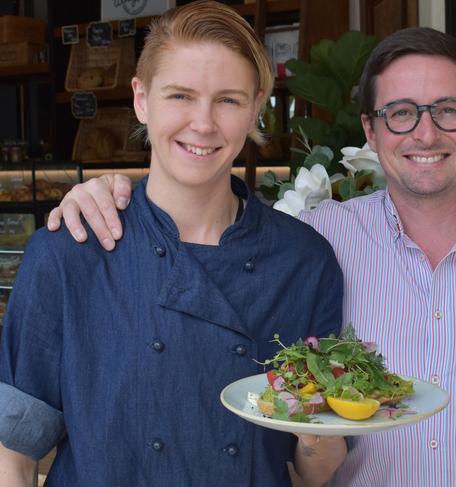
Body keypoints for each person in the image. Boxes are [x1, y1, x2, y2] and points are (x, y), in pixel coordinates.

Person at [45, 26, 456, 486]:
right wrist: (111, 194)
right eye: (400, 113)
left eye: (448, 110)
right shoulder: (311, 241)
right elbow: (204, 227)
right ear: (372, 129)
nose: (426, 133)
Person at [0, 2, 347, 486]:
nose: (202, 124)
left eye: (228, 100)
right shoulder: (70, 250)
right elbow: (11, 456)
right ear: (142, 99)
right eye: (181, 95)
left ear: (256, 105)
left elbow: (317, 472)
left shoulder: (303, 260)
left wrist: (323, 419)